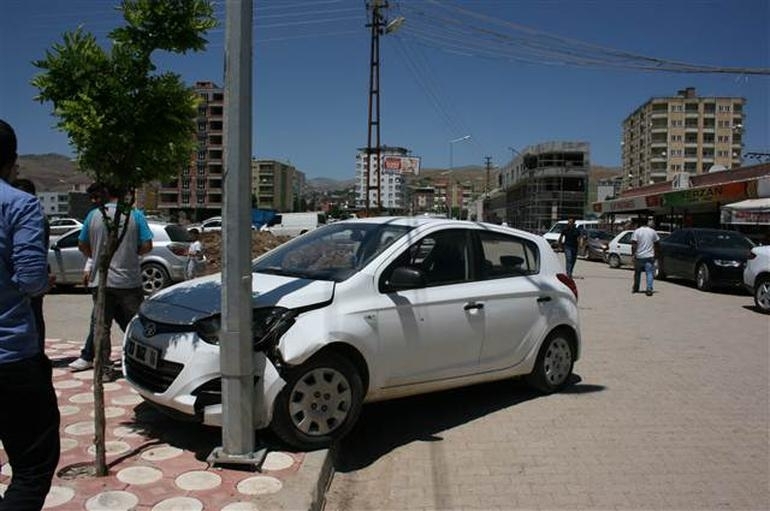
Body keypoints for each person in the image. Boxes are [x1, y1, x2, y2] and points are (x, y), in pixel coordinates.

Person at [0, 119, 61, 510]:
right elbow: (32, 278)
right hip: (10, 357)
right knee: (33, 464)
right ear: (12, 162)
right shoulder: (19, 205)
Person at [76, 183, 153, 380]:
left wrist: (97, 257)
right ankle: (142, 364)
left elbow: (82, 244)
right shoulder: (134, 215)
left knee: (101, 327)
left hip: (101, 282)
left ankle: (104, 369)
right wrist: (129, 253)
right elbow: (146, 245)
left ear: (105, 193)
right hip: (129, 281)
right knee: (137, 325)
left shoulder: (94, 215)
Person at [11, 178, 52, 353]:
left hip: (26, 276)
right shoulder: (37, 215)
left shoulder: (32, 215)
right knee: (34, 315)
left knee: (32, 316)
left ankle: (35, 352)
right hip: (32, 276)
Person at [631, 218, 661, 296]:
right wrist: (656, 254)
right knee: (649, 273)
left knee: (637, 273)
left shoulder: (637, 231)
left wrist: (633, 254)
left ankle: (636, 287)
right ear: (647, 223)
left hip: (639, 256)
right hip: (649, 256)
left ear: (639, 224)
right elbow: (657, 243)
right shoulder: (652, 231)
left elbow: (634, 244)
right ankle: (649, 289)